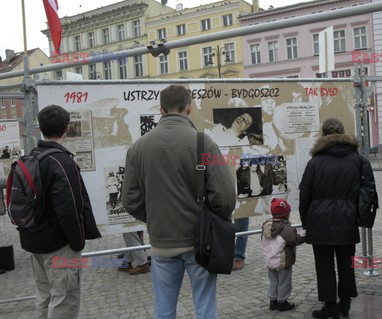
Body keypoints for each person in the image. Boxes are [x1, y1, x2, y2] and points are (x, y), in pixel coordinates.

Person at [122, 85, 236, 319]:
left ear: (161, 110)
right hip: (199, 240)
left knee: (164, 310)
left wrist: (155, 216)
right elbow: (224, 198)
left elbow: (130, 200)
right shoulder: (203, 144)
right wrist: (209, 216)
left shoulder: (138, 148)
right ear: (189, 107)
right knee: (205, 308)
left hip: (161, 242)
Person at [19, 105, 101, 318]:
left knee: (44, 296)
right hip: (59, 245)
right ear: (66, 128)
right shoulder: (62, 161)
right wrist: (77, 243)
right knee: (64, 298)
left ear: (40, 128)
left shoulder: (31, 158)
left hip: (35, 239)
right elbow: (70, 208)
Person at [299, 118, 375, 319]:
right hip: (347, 217)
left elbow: (304, 195)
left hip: (319, 219)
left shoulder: (314, 162)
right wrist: (362, 215)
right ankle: (345, 303)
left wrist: (306, 222)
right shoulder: (358, 159)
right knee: (346, 263)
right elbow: (369, 191)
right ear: (343, 133)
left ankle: (330, 306)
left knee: (324, 266)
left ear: (323, 135)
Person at [262, 198, 305, 312]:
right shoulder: (286, 229)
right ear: (287, 214)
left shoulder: (266, 226)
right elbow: (296, 239)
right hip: (283, 262)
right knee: (284, 282)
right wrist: (304, 233)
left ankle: (273, 301)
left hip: (270, 262)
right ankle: (282, 302)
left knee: (273, 282)